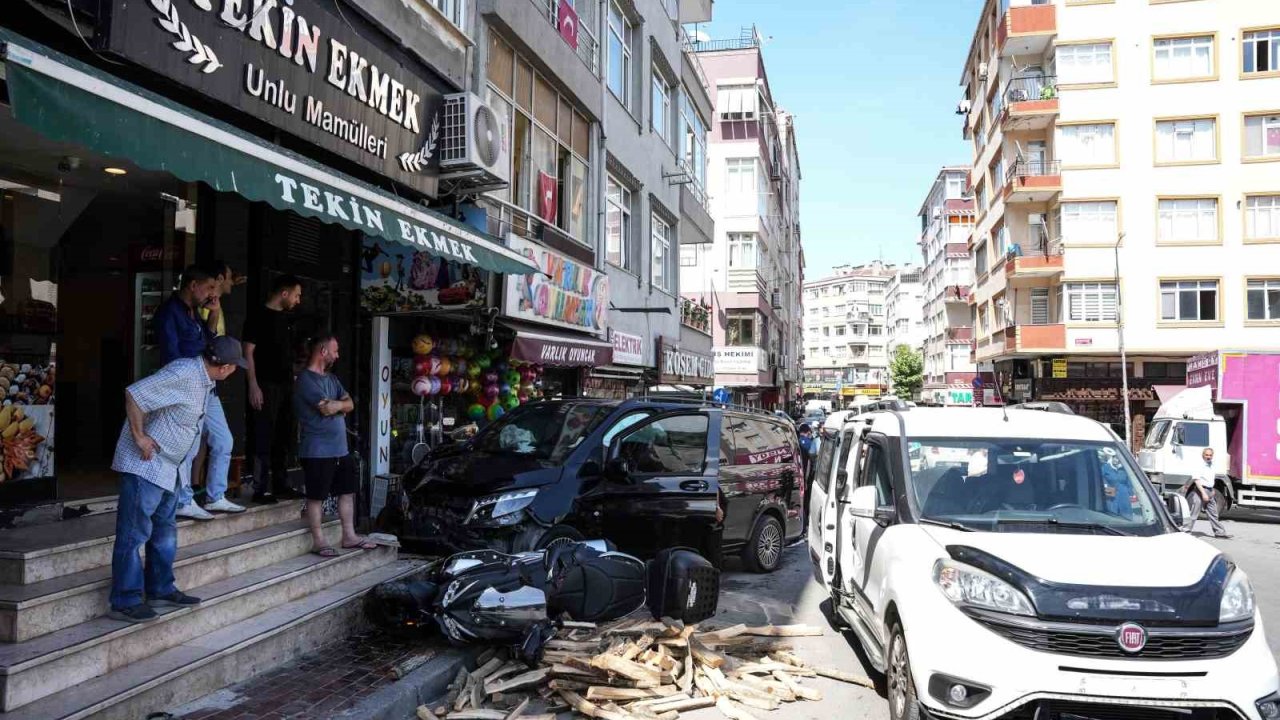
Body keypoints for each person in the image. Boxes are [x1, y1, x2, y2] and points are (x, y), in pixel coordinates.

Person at [108, 337, 249, 622]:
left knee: (164, 533)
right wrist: (139, 437)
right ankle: (126, 599)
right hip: (146, 465)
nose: (235, 371)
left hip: (171, 468)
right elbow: (135, 394)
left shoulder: (204, 381)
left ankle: (160, 589)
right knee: (134, 533)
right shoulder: (184, 373)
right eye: (235, 366)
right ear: (224, 367)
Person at [154, 265, 245, 520]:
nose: (211, 294)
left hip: (208, 384)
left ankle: (216, 496)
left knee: (224, 440)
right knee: (189, 447)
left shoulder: (194, 312)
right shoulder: (169, 312)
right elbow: (169, 355)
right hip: (187, 385)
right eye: (208, 288)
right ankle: (183, 500)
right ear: (193, 285)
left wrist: (214, 312)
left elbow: (210, 340)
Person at [293, 335, 376, 556]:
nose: (337, 355)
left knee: (347, 492)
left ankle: (349, 536)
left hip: (341, 448)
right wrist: (341, 405)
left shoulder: (331, 379)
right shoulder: (305, 380)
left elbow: (349, 404)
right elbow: (326, 409)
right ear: (323, 351)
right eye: (335, 350)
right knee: (316, 496)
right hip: (317, 450)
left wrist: (338, 405)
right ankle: (319, 541)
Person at [243, 274, 303, 504]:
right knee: (263, 433)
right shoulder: (258, 316)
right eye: (296, 295)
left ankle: (281, 483)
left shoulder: (286, 319)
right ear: (284, 293)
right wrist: (253, 385)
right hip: (265, 384)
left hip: (286, 383)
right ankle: (260, 487)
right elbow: (247, 352)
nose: (298, 300)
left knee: (284, 434)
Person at [1192, 447, 1230, 539]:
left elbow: (1210, 479)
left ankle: (1220, 533)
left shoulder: (1212, 465)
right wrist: (1203, 493)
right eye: (1206, 455)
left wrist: (1212, 490)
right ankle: (1185, 531)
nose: (1208, 457)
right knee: (1194, 513)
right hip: (1201, 490)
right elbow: (1197, 480)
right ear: (1203, 455)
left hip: (1209, 491)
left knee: (1213, 513)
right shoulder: (1199, 465)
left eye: (1210, 455)